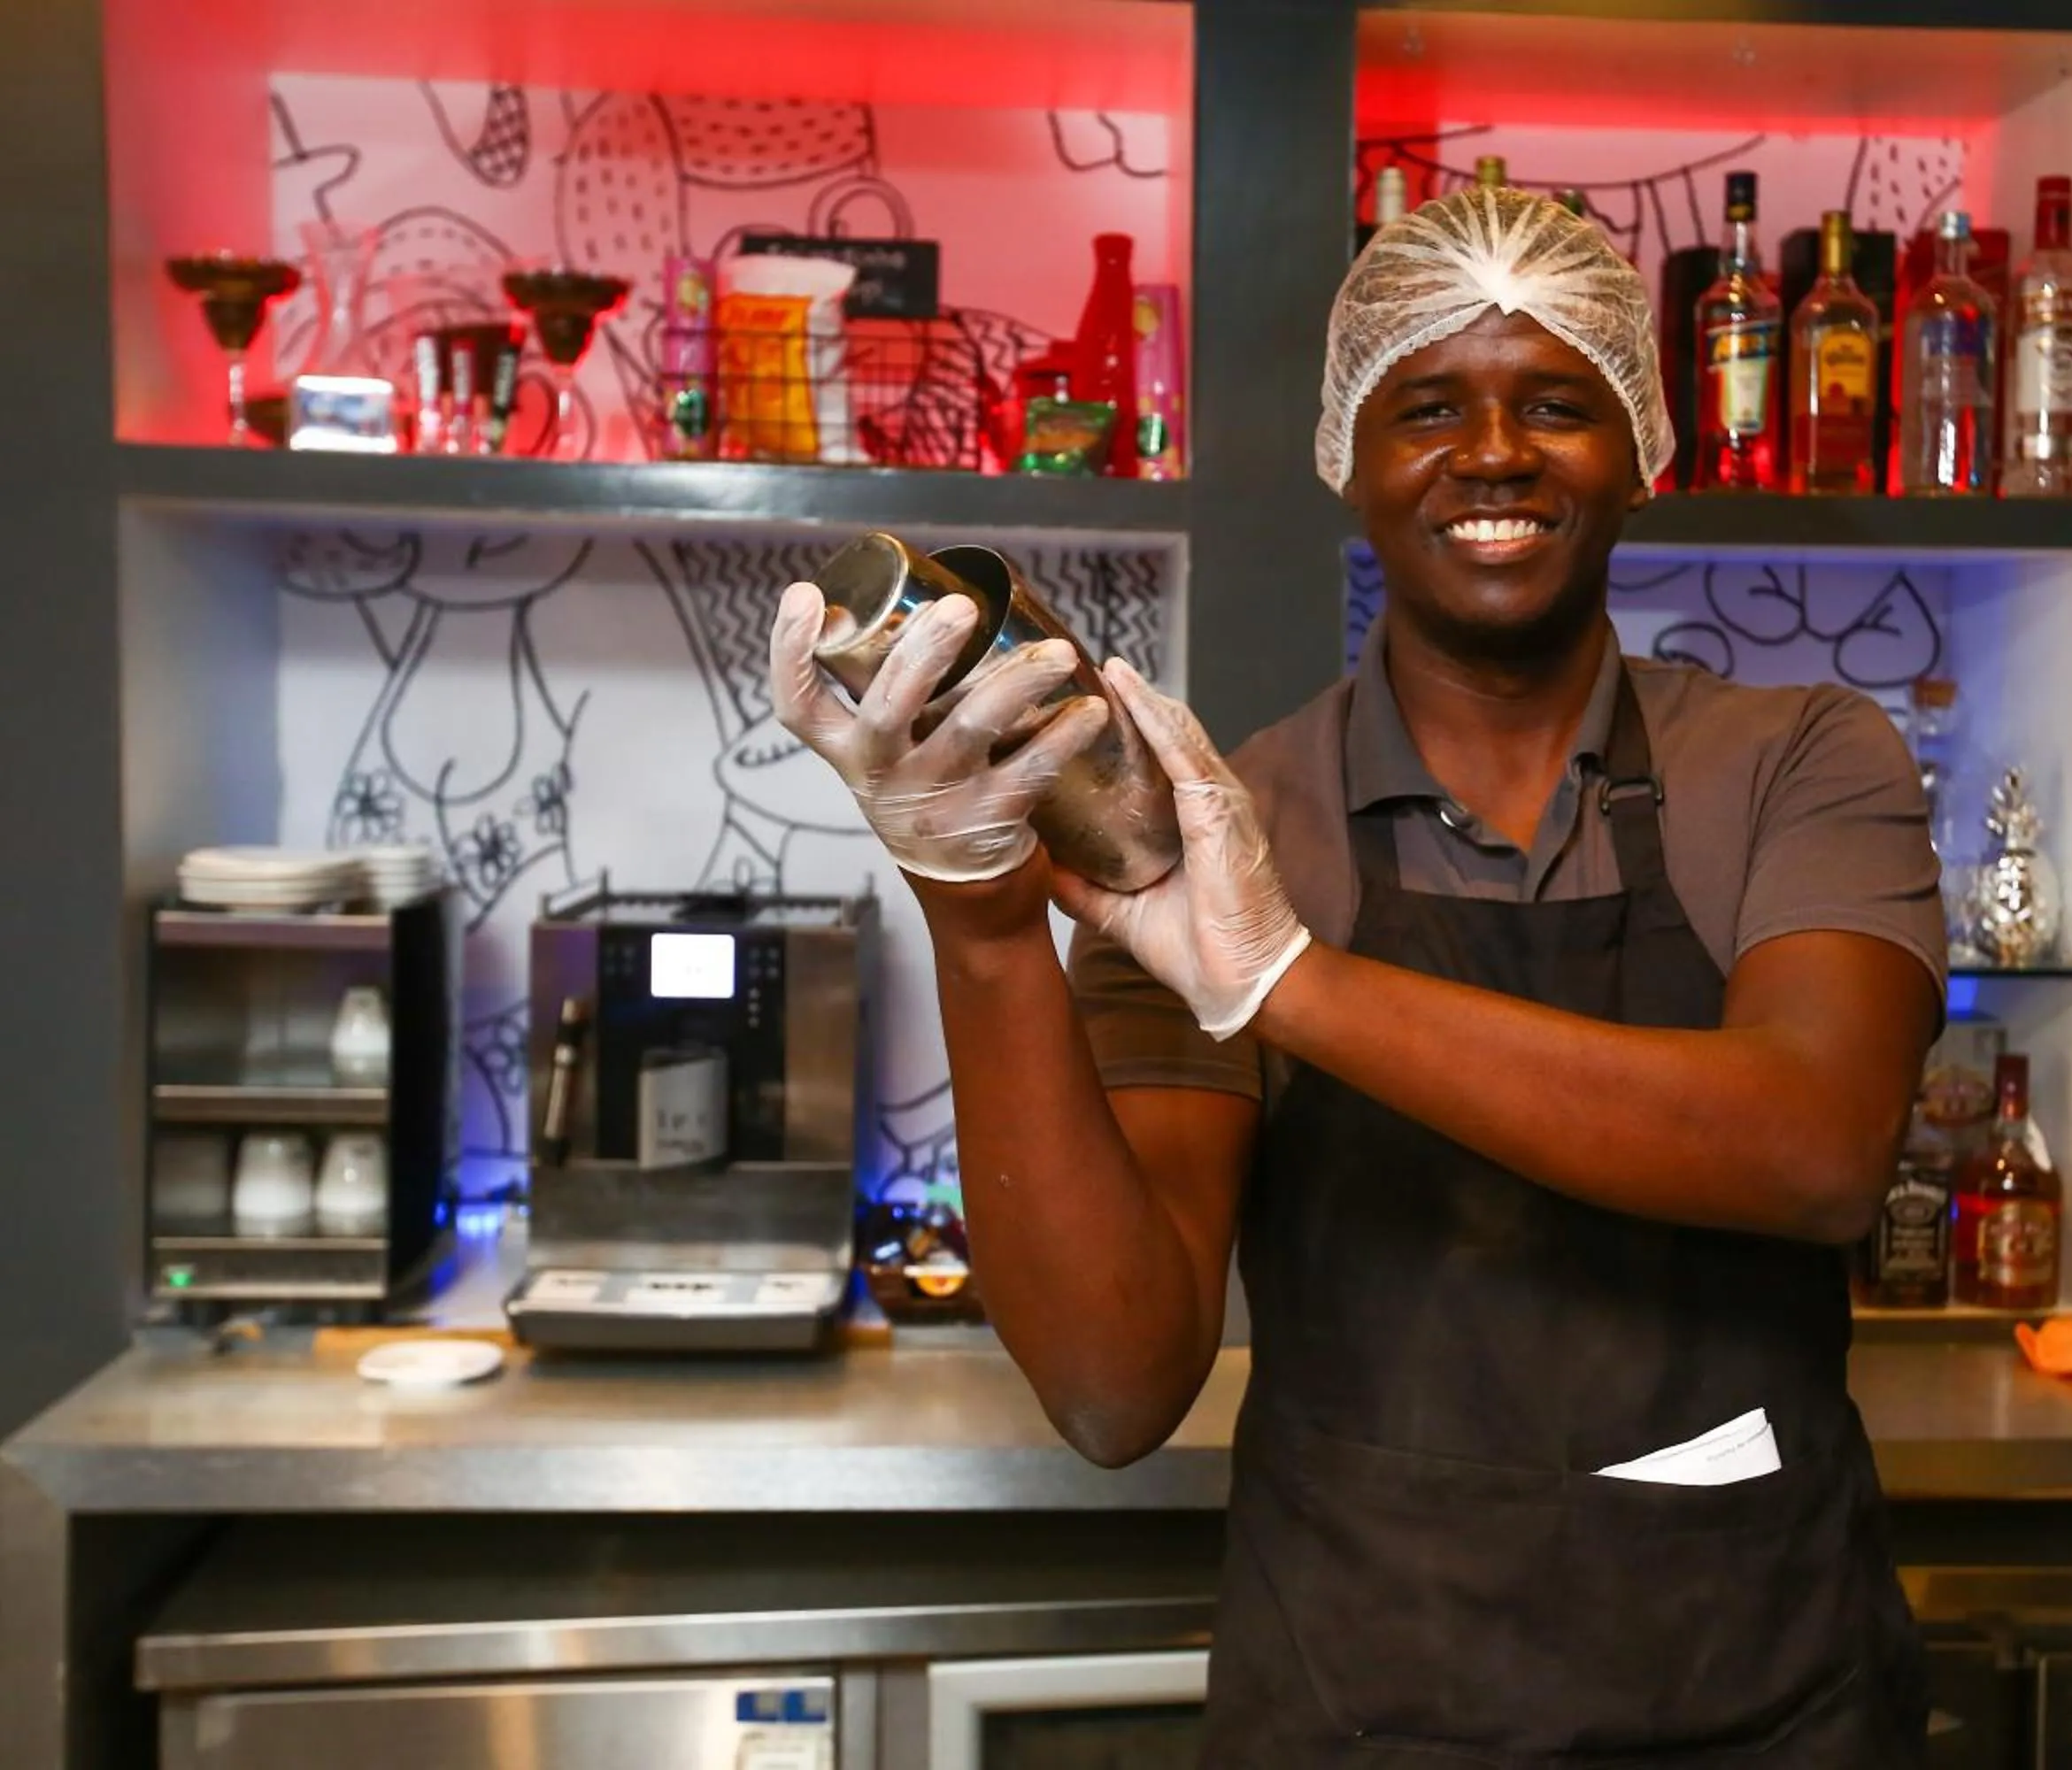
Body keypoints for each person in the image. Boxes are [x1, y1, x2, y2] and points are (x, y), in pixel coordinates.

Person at [769, 184, 1946, 1766]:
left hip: (1760, 1698)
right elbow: (1117, 1388)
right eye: (1428, 408)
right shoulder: (1214, 820)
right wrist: (982, 928)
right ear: (1350, 457)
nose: (1495, 454)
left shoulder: (1799, 759)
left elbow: (1816, 1150)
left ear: (1646, 452)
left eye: (1554, 405)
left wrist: (1285, 983)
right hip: (1362, 1701)